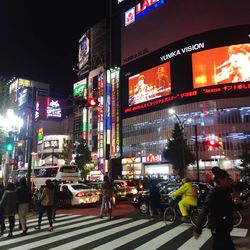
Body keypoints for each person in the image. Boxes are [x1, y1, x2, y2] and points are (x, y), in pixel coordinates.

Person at [193, 167, 242, 250]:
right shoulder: (213, 193)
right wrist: (198, 229)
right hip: (218, 227)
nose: (229, 181)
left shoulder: (225, 192)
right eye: (227, 179)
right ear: (220, 180)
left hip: (224, 227)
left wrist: (243, 205)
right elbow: (204, 210)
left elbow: (230, 207)